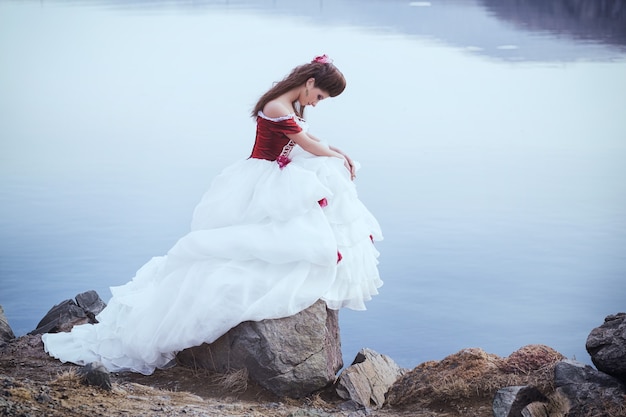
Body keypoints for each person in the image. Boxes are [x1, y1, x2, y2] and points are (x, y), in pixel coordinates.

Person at [42, 54, 383, 375]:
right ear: (309, 83)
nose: (316, 103)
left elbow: (308, 138)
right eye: (320, 96)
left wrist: (338, 152)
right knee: (321, 181)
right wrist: (339, 157)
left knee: (323, 178)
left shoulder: (288, 104)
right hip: (262, 176)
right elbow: (307, 145)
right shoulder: (278, 105)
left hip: (272, 172)